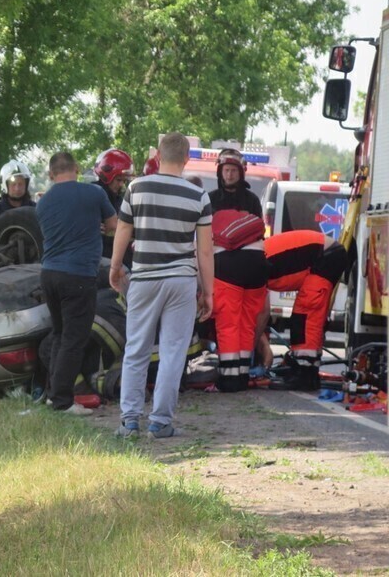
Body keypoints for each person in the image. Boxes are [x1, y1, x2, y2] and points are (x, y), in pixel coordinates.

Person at [109, 132, 214, 438]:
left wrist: (115, 267)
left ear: (157, 156)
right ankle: (160, 422)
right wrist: (208, 292)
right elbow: (205, 251)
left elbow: (123, 229)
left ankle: (129, 421)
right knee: (172, 352)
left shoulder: (136, 188)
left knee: (136, 349)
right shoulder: (199, 195)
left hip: (144, 278)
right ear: (186, 159)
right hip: (181, 281)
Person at [36, 151, 117, 415]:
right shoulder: (94, 193)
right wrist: (99, 225)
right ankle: (63, 402)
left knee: (60, 334)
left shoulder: (43, 203)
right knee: (74, 338)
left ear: (51, 174)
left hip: (49, 274)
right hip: (78, 275)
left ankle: (53, 395)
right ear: (77, 169)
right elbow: (114, 225)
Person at [207, 148, 268, 392]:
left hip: (229, 269)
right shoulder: (211, 198)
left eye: (233, 170)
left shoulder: (251, 200)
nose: (230, 174)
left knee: (232, 321)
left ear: (241, 173)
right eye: (226, 170)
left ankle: (232, 377)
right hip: (242, 266)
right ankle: (240, 373)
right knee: (241, 321)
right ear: (220, 172)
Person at [262, 230, 348, 390]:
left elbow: (261, 312)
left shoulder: (253, 266)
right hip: (326, 254)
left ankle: (304, 375)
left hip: (325, 256)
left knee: (305, 317)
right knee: (308, 317)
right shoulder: (255, 258)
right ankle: (308, 372)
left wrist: (263, 347)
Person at [92, 149, 135, 258]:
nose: (121, 185)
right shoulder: (91, 195)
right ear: (106, 176)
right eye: (118, 180)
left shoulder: (119, 200)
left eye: (124, 181)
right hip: (98, 257)